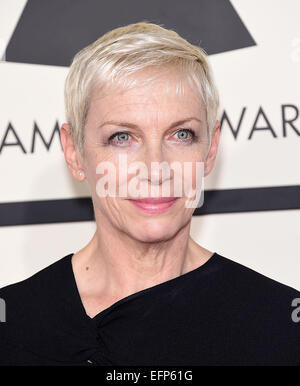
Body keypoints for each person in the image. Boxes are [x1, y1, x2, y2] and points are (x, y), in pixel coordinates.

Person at [0, 22, 299, 366]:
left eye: (181, 135)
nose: (156, 169)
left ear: (211, 149)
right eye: (122, 137)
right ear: (74, 153)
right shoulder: (13, 327)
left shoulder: (278, 325)